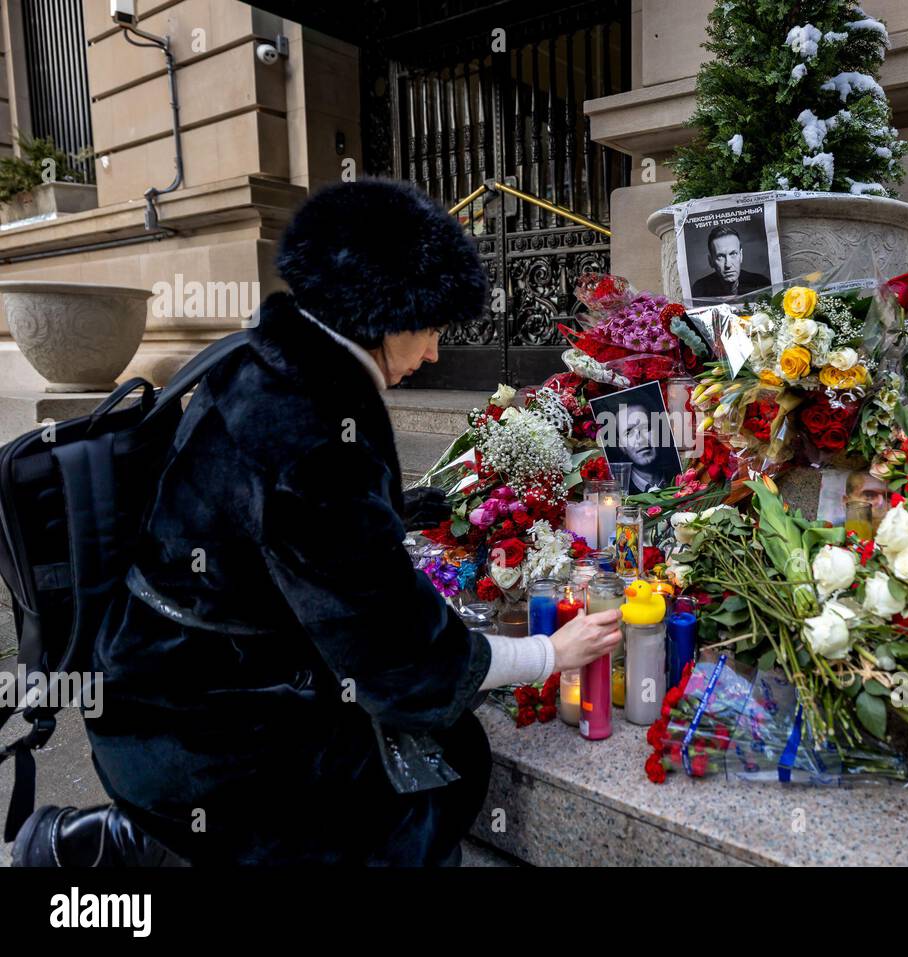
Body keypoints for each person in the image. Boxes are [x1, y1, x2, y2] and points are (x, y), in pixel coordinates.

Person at [12, 179, 621, 867]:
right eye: (430, 328)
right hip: (194, 731)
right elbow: (404, 662)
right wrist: (551, 653)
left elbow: (280, 540)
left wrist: (403, 519)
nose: (433, 355)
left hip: (169, 679)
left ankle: (138, 841)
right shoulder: (313, 433)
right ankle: (127, 845)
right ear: (385, 313)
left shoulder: (269, 359)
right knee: (431, 785)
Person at [605, 400, 680, 493]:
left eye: (647, 428)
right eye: (629, 432)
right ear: (620, 445)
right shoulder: (617, 492)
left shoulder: (680, 475)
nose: (641, 440)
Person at [689, 224, 770, 301]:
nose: (728, 265)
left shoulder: (761, 284)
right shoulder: (700, 290)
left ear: (741, 255)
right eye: (720, 256)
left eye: (733, 254)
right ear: (711, 261)